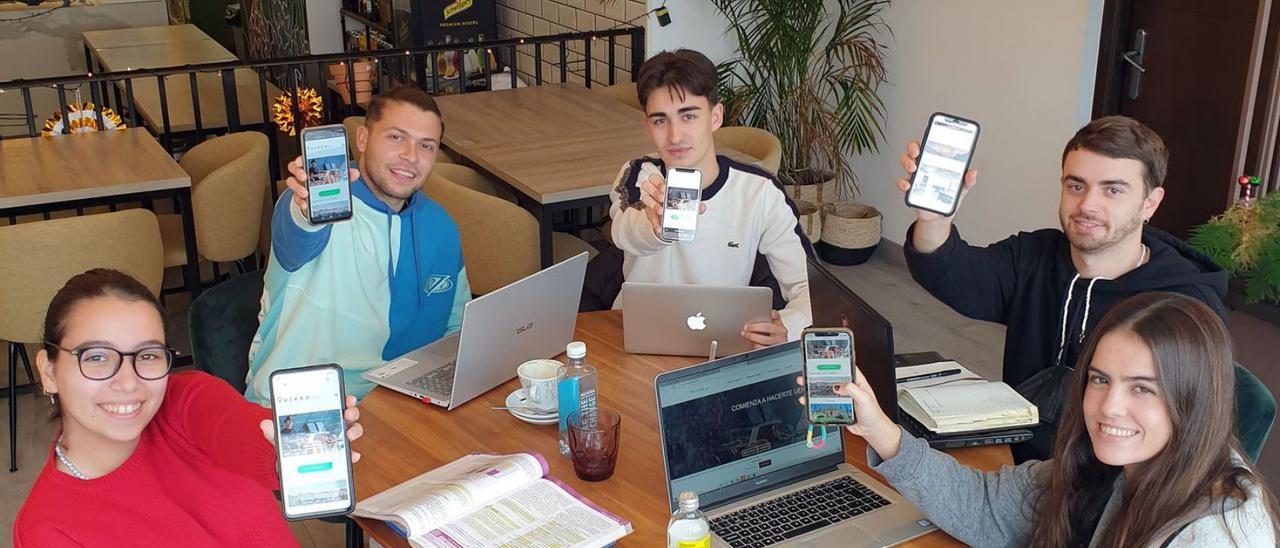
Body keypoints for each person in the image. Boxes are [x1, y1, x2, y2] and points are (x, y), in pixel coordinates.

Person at [804, 292, 1278, 547]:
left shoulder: (1215, 535)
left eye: (1142, 388)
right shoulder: (1106, 464)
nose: (1109, 406)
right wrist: (881, 430)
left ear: (1194, 400)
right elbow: (988, 509)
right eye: (1099, 379)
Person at [896, 116, 1228, 461]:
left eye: (1112, 190)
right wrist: (933, 220)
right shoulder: (1035, 256)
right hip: (1019, 464)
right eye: (1076, 186)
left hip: (1117, 485)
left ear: (1150, 202)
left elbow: (1196, 436)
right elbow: (955, 273)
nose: (1088, 205)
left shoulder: (1185, 303)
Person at [14, 269, 364, 546]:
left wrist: (285, 453)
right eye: (97, 357)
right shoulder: (47, 529)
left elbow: (239, 430)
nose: (128, 382)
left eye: (147, 355)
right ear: (49, 372)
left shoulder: (183, 400)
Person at [245, 85, 471, 404]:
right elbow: (299, 228)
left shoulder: (441, 227)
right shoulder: (308, 207)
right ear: (362, 139)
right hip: (299, 413)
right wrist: (307, 206)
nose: (410, 156)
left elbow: (457, 329)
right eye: (396, 137)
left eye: (426, 145)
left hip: (398, 406)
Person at [606, 49, 813, 347]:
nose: (675, 136)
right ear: (647, 126)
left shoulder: (759, 191)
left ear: (716, 116)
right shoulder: (640, 175)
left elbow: (808, 284)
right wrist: (655, 227)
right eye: (661, 121)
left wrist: (791, 326)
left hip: (725, 344)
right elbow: (625, 232)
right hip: (638, 340)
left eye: (689, 116)